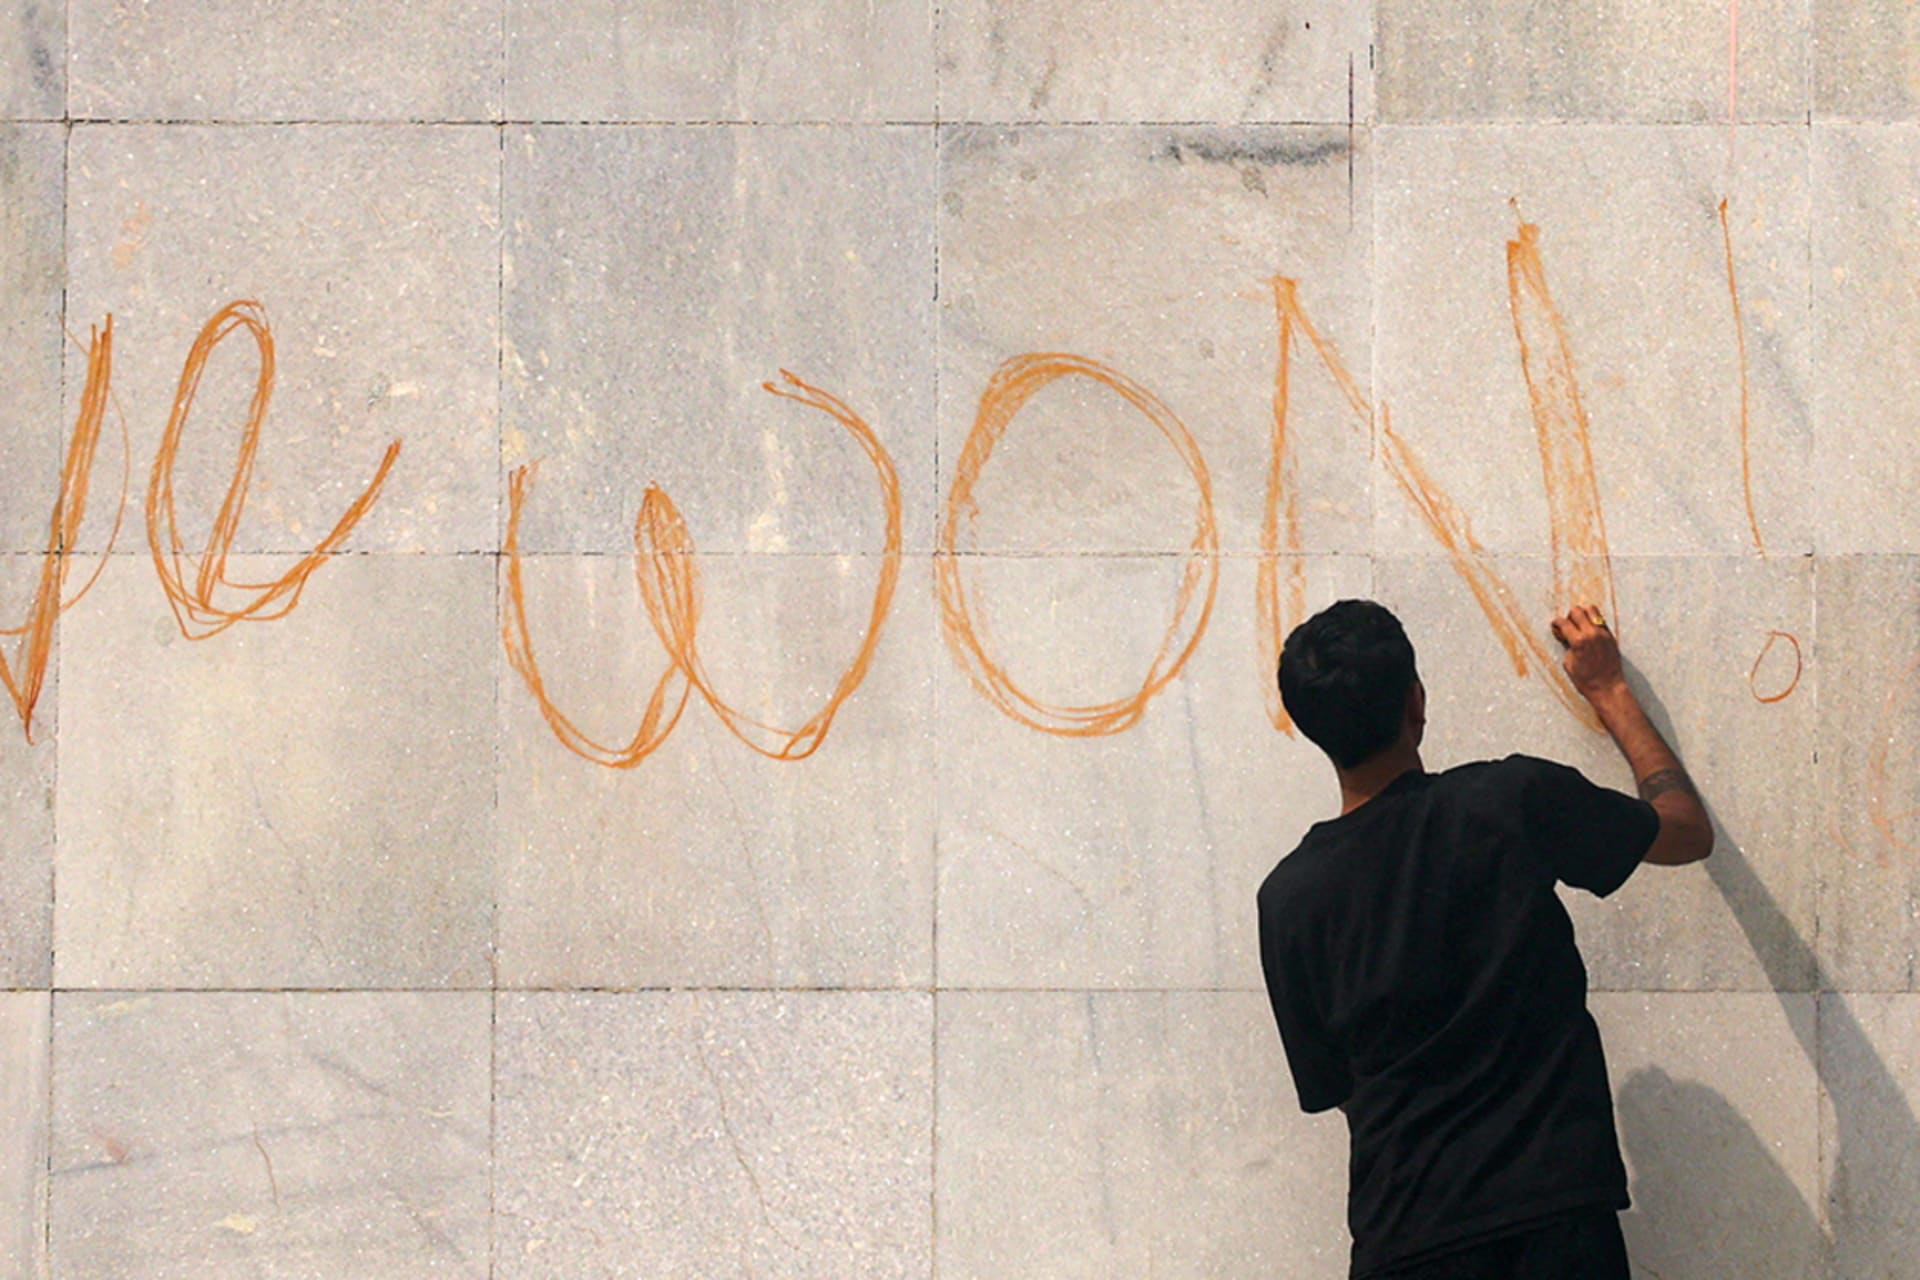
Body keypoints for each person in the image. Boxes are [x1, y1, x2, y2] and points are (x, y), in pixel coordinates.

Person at [1256, 600, 1713, 1279]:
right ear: (1416, 702)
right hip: (1555, 1224)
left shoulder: (1288, 900)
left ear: (1307, 726)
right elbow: (1682, 829)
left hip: (1403, 1238)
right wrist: (1609, 689)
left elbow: (1336, 1088)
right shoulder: (1510, 801)